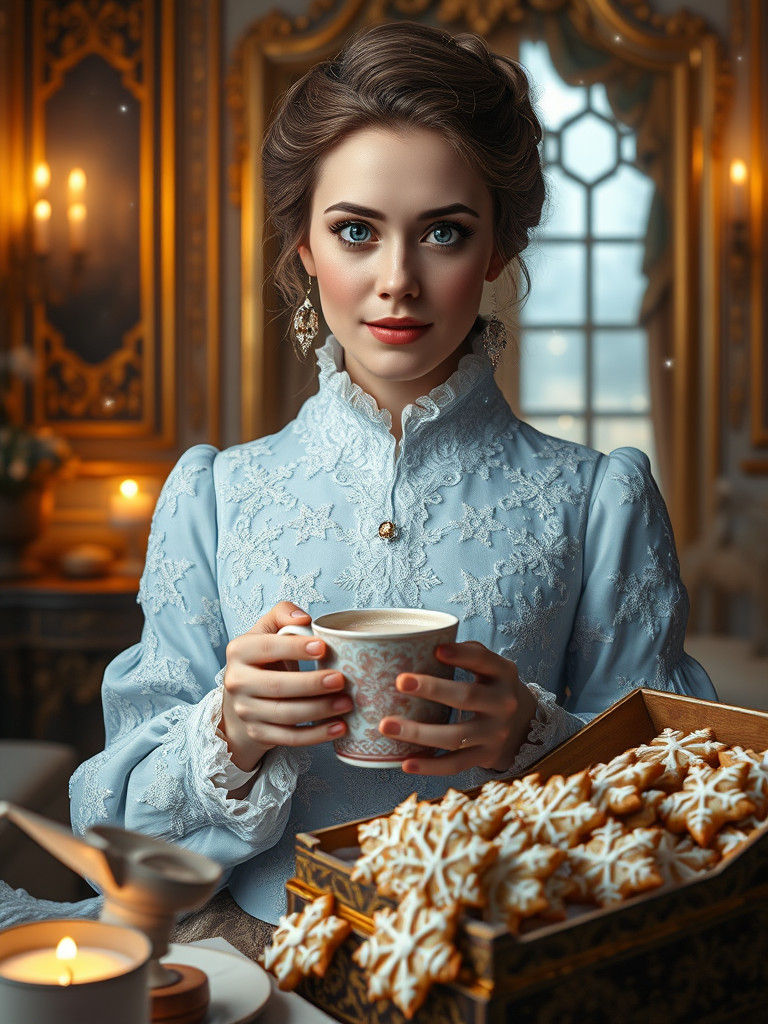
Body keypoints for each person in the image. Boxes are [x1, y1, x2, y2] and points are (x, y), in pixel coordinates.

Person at [68, 21, 716, 940]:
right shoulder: (215, 496)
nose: (398, 281)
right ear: (304, 246)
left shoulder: (598, 499)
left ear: (495, 251)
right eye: (356, 233)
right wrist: (232, 733)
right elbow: (113, 825)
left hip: (507, 970)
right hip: (259, 966)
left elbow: (680, 808)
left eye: (444, 232)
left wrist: (534, 736)